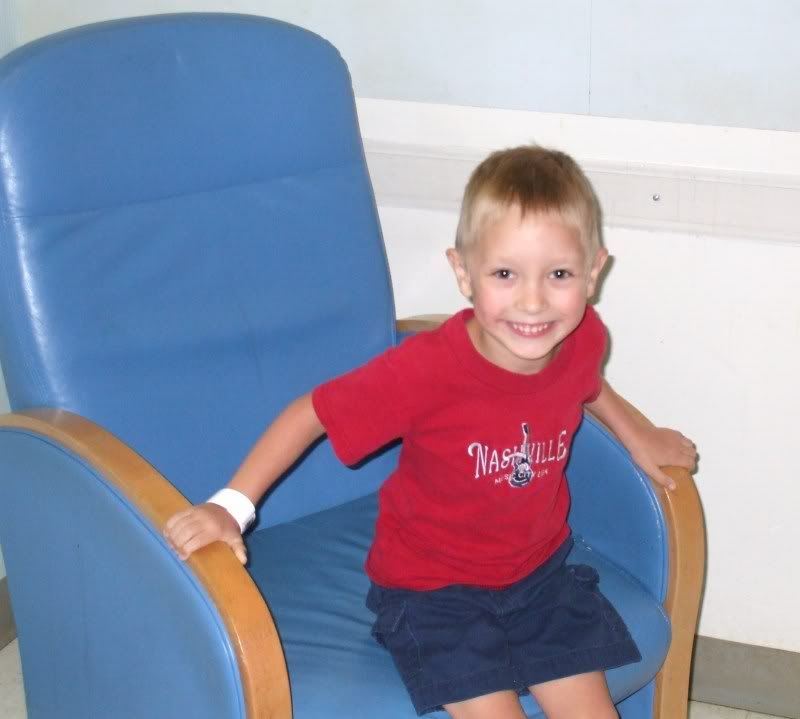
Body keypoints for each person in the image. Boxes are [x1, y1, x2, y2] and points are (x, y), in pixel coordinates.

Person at [165, 145, 697, 719]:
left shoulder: (581, 336)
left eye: (560, 274)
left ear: (594, 272)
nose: (534, 300)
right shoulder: (426, 371)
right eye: (504, 274)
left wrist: (638, 433)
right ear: (463, 272)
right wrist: (230, 507)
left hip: (539, 576)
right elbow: (309, 414)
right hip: (433, 591)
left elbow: (588, 382)